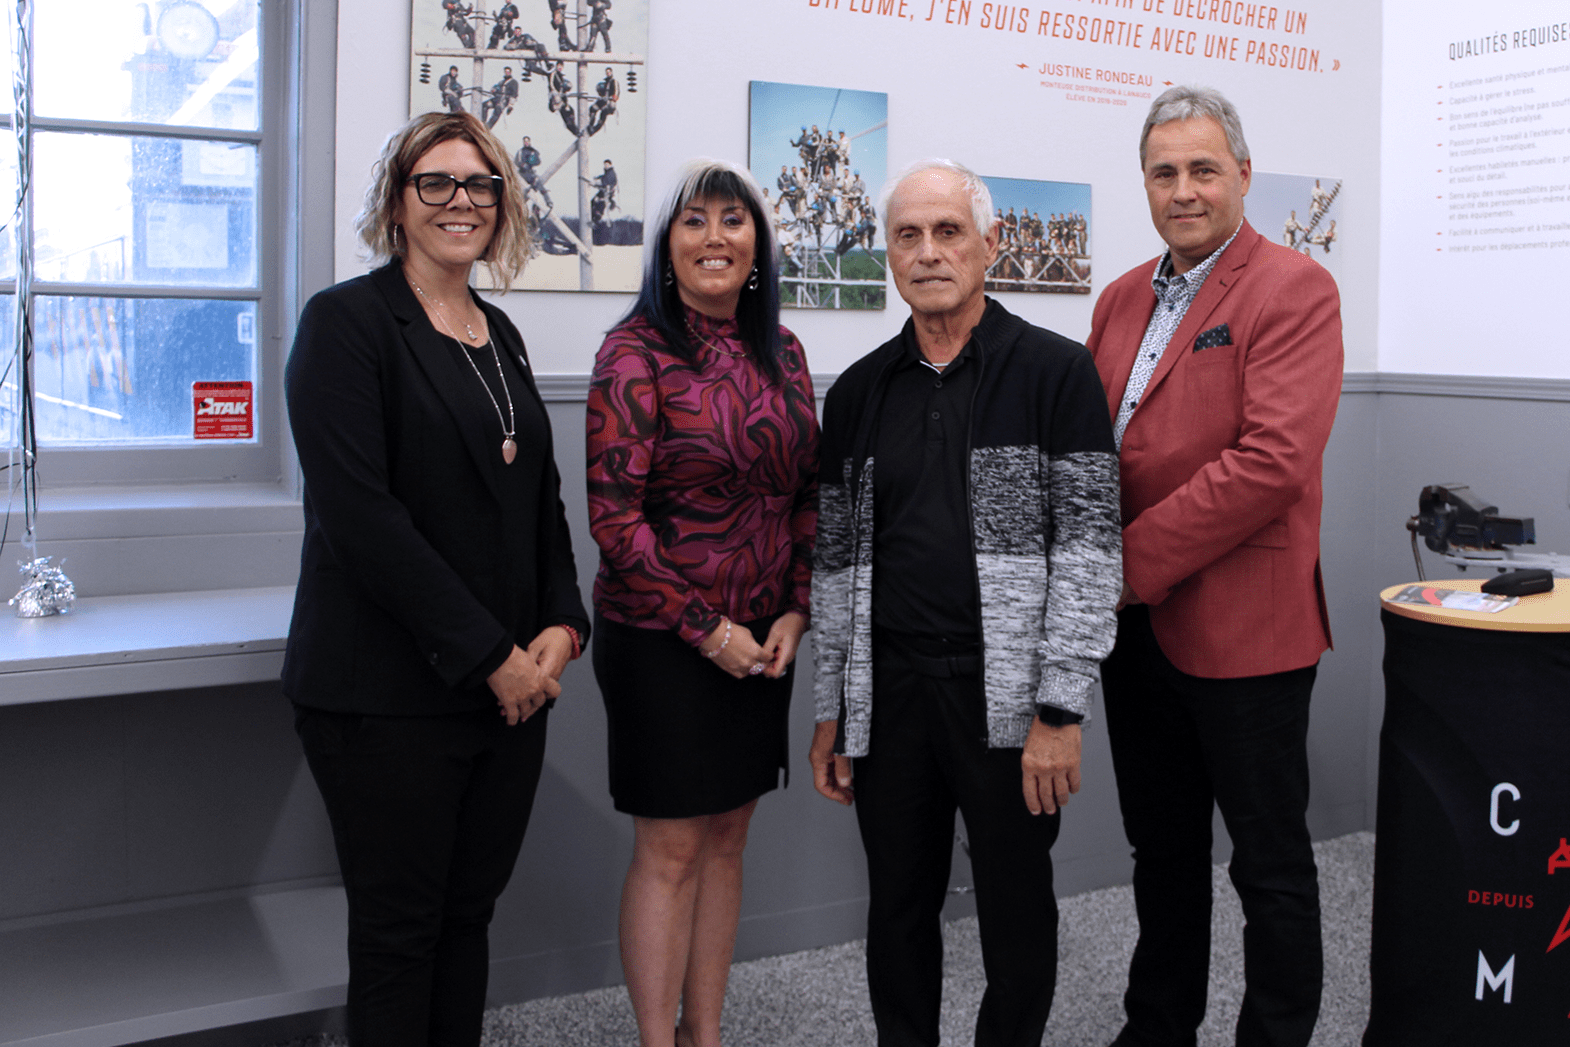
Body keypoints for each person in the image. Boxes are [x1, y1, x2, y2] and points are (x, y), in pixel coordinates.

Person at [283, 110, 590, 1047]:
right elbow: (363, 522)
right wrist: (489, 654)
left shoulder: (499, 331)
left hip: (506, 693)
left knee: (467, 918)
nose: (462, 202)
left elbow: (539, 501)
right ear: (398, 201)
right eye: (437, 183)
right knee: (399, 935)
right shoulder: (345, 324)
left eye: (481, 184)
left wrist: (562, 625)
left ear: (504, 203)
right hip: (386, 695)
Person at [810, 158, 1122, 1047]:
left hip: (1010, 701)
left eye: (949, 231)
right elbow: (833, 568)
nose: (929, 251)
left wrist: (1060, 708)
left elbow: (1093, 553)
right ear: (888, 254)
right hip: (893, 695)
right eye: (907, 234)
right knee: (896, 908)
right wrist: (833, 708)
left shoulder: (1055, 375)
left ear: (991, 243)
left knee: (1016, 916)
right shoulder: (861, 392)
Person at [1085, 85, 1343, 1047]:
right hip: (1137, 631)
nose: (1183, 190)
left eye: (1202, 169)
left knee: (1269, 863)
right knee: (1163, 851)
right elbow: (1095, 451)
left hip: (1247, 628)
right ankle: (1158, 1026)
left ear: (1242, 173)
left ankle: (1275, 1034)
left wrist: (1124, 563)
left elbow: (1270, 463)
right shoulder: (1117, 299)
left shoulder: (1293, 288)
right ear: (1144, 184)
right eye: (1164, 172)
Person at [586, 159, 820, 1047]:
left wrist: (794, 609)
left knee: (729, 836)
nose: (715, 236)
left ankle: (705, 1032)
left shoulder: (784, 351)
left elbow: (806, 494)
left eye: (733, 219)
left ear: (757, 244)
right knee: (673, 848)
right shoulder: (634, 351)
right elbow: (615, 519)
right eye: (694, 221)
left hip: (762, 641)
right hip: (662, 638)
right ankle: (657, 1040)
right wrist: (706, 628)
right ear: (667, 247)